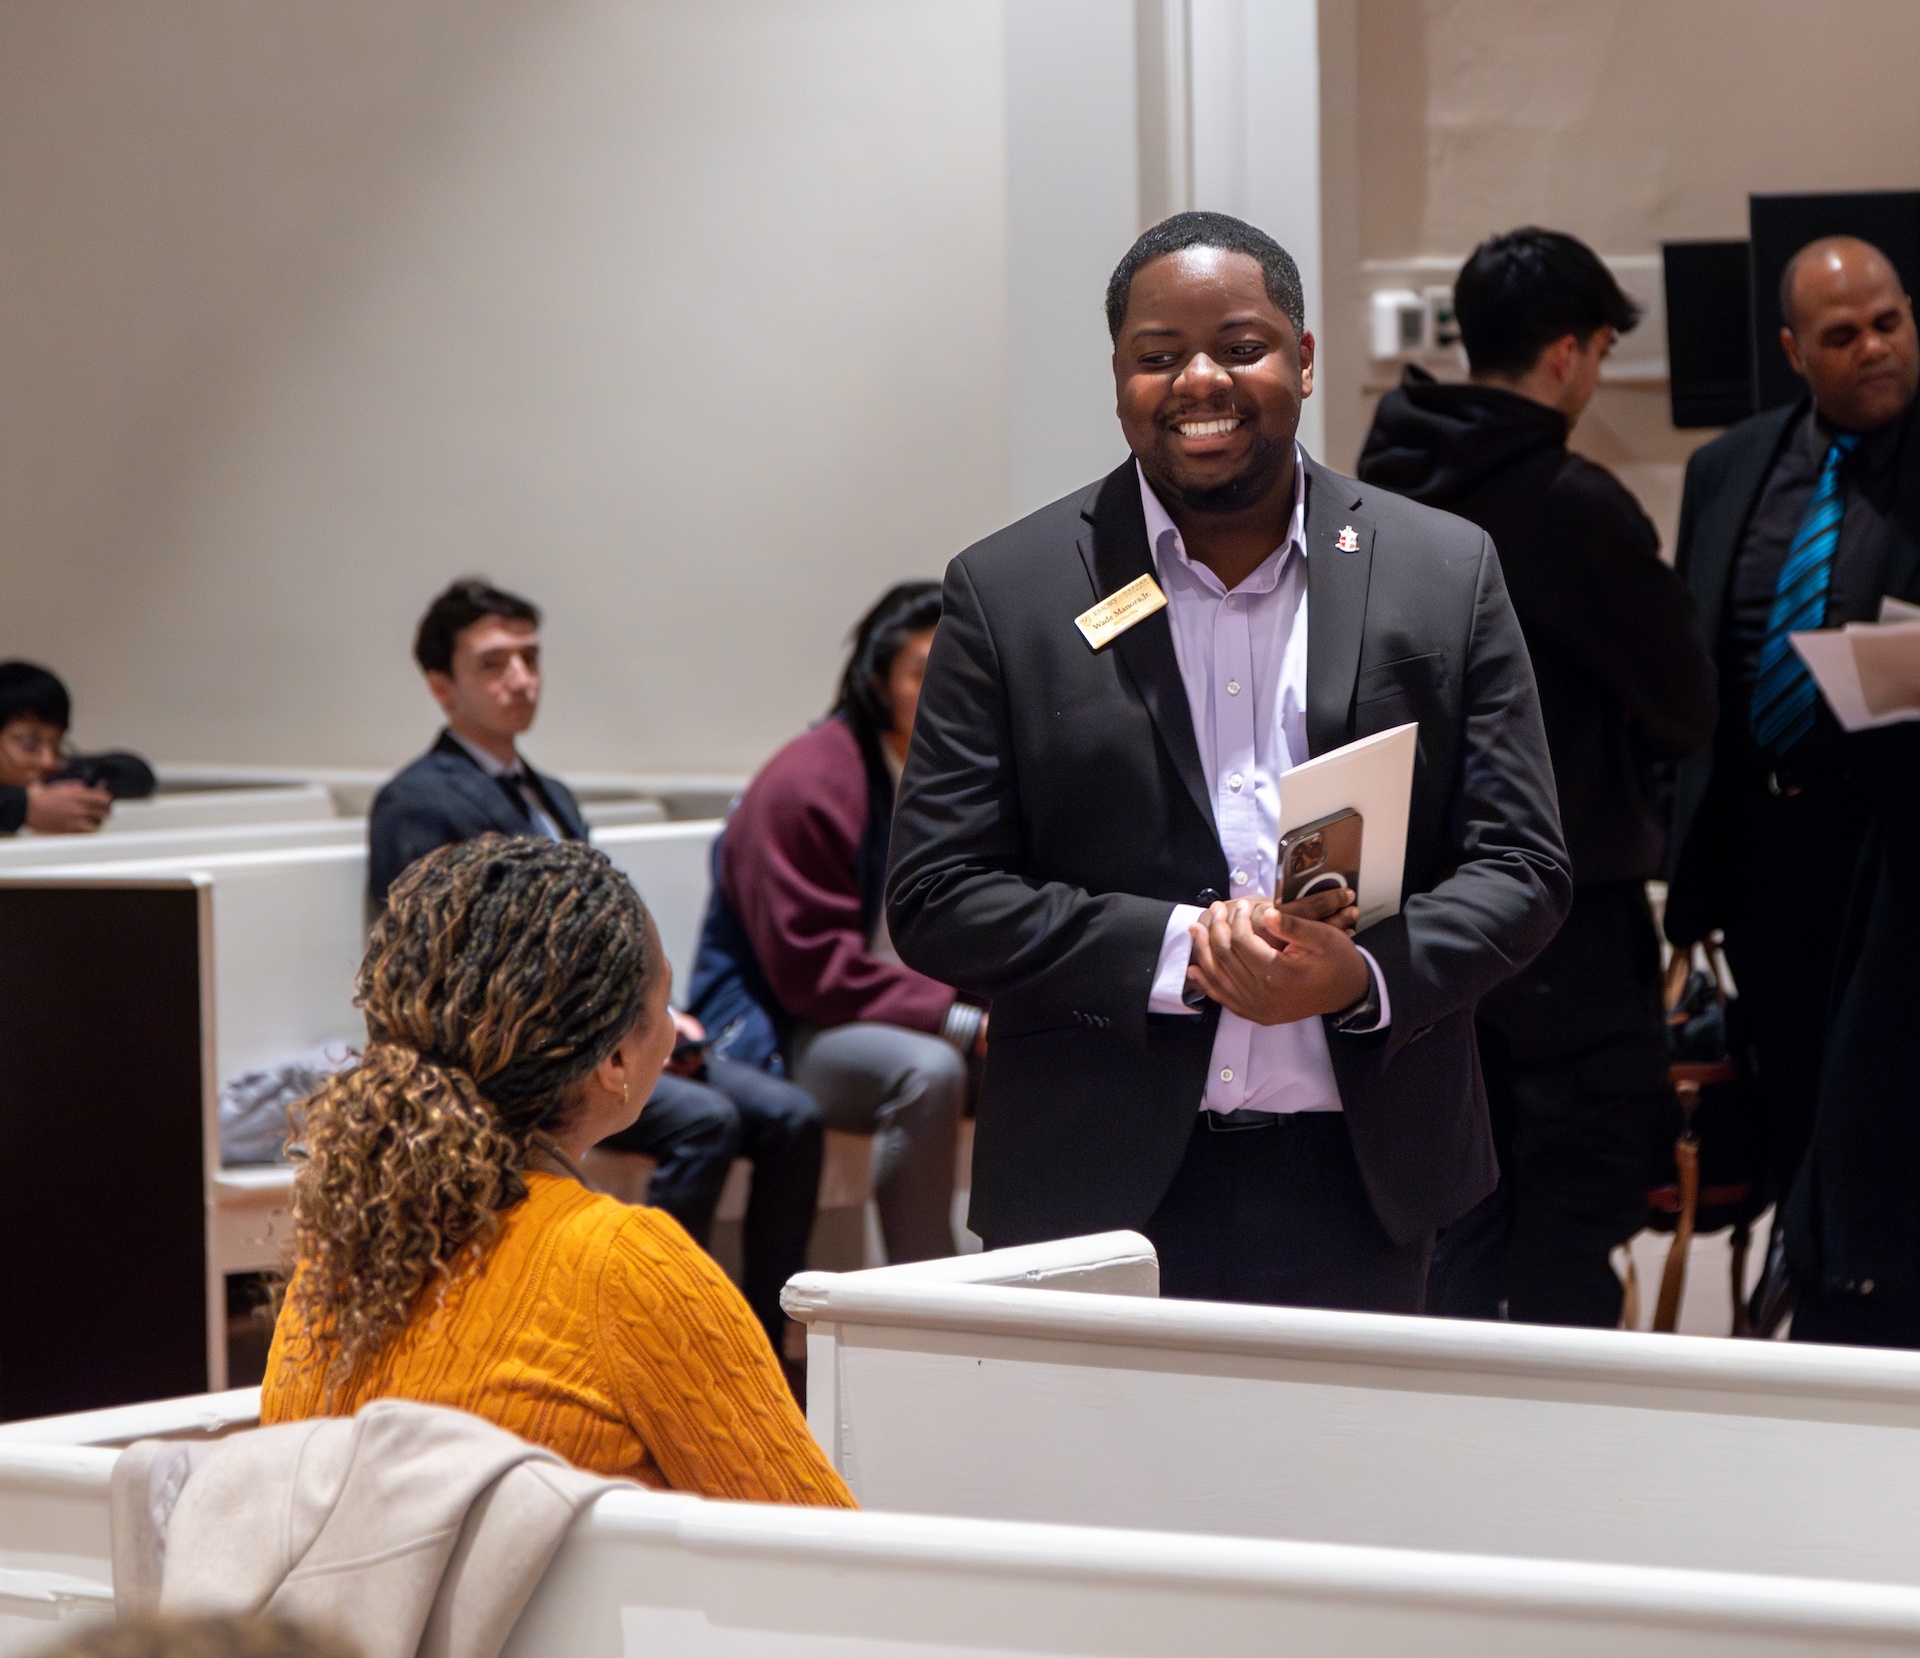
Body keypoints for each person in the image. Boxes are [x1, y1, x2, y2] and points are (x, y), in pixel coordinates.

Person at [886, 211, 1571, 1312]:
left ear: (1302, 359)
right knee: (1092, 1494)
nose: (1200, 378)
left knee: (1342, 1485)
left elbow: (1523, 866)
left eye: (1240, 344)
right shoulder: (1007, 592)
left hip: (1363, 1177)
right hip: (1093, 1186)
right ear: (1119, 382)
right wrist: (1182, 950)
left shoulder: (1440, 570)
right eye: (1158, 356)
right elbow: (936, 893)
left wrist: (1359, 972)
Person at [1356, 228, 1718, 1327]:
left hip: (1415, 919)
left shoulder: (1378, 489)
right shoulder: (1572, 501)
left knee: (1456, 1206)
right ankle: (1559, 1475)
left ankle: (1443, 1463)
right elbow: (1686, 702)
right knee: (1575, 1204)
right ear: (1567, 352)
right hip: (1564, 913)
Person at [263, 835, 854, 1505]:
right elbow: (825, 1550)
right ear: (616, 1062)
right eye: (663, 1005)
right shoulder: (625, 1267)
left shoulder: (342, 1253)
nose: (670, 1030)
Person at [368, 578, 822, 1364]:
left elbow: (596, 932)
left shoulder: (551, 792)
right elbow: (447, 961)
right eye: (494, 663)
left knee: (790, 1116)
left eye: (530, 659)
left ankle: (764, 1342)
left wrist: (656, 1019)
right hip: (523, 1056)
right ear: (443, 686)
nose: (521, 679)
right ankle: (664, 1335)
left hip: (607, 1033)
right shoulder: (417, 800)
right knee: (707, 1123)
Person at [1663, 235, 1920, 1341]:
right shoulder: (1731, 467)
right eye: (1842, 334)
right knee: (1795, 1101)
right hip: (1765, 851)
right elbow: (1698, 661)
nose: (1875, 347)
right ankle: (1808, 1297)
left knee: (1883, 1118)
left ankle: (1863, 1313)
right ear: (1792, 350)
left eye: (1890, 321)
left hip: (1896, 853)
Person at [688, 583, 978, 1265]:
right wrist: (966, 1019)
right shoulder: (808, 781)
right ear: (877, 681)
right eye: (921, 672)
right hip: (785, 1025)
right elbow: (812, 975)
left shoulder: (951, 770)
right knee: (929, 1071)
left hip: (895, 1006)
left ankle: (1041, 1283)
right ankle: (927, 1303)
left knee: (1053, 1047)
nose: (945, 690)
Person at [0, 661, 115, 835]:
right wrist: (25, 808)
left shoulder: (52, 775)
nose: (48, 761)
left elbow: (135, 771)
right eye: (28, 745)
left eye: (56, 746)